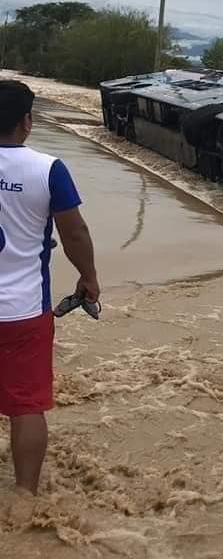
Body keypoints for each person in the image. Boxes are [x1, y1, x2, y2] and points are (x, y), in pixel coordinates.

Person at [0, 80, 99, 495]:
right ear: (27, 120)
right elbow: (74, 233)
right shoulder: (48, 168)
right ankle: (24, 497)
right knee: (26, 406)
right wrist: (88, 277)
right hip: (22, 312)